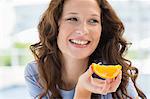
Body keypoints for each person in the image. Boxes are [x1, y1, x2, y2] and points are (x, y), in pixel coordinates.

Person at [24, 0, 147, 99]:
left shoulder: (114, 74)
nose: (83, 30)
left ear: (101, 29)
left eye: (93, 21)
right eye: (72, 19)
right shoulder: (36, 73)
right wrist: (83, 90)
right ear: (56, 25)